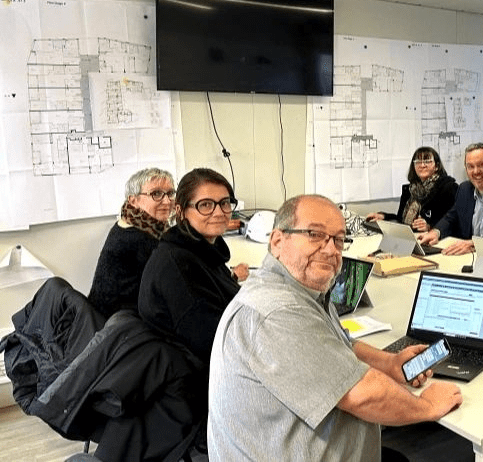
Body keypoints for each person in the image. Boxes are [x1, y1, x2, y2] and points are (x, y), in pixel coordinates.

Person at [208, 194, 462, 460]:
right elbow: (362, 395)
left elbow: (338, 342)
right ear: (278, 241)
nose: (331, 250)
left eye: (338, 239)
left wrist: (389, 363)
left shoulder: (300, 286)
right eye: (315, 235)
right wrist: (427, 406)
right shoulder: (279, 311)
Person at [138, 167, 245, 365]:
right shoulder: (178, 266)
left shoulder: (202, 250)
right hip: (199, 374)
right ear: (181, 211)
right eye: (205, 205)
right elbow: (213, 342)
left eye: (224, 203)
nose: (219, 212)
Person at [89, 167, 175, 318]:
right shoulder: (140, 239)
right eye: (156, 194)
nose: (167, 201)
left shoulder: (128, 223)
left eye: (170, 193)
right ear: (133, 200)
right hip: (119, 323)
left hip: (111, 317)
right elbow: (171, 284)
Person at [365, 146, 458, 232]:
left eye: (427, 161)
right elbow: (401, 220)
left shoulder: (448, 187)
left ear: (436, 166)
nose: (422, 165)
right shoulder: (410, 190)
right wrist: (384, 216)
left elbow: (453, 220)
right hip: (410, 237)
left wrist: (430, 226)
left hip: (436, 239)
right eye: (418, 161)